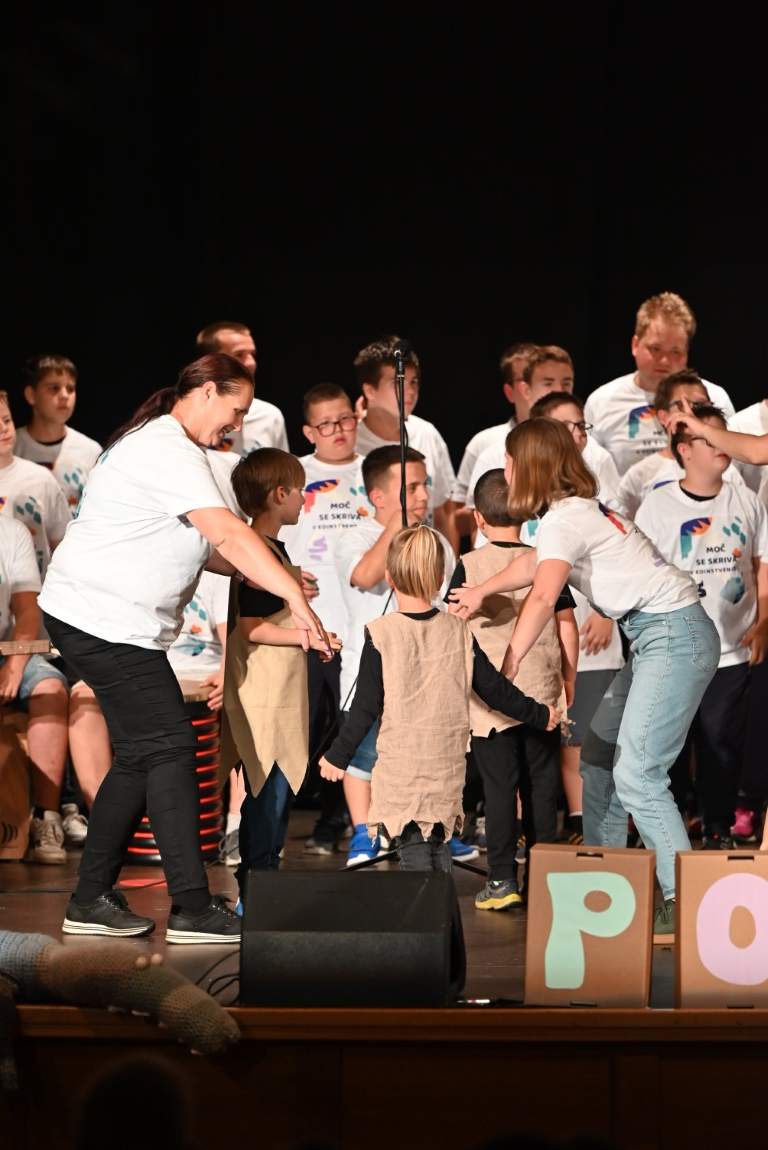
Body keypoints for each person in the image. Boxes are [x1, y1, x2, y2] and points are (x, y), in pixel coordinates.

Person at [39, 353, 328, 943]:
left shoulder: (175, 448)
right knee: (170, 745)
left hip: (111, 622)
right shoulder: (164, 448)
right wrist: (292, 600)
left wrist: (271, 575)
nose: (237, 425)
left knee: (141, 755)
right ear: (206, 391)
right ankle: (192, 908)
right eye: (236, 410)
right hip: (99, 619)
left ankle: (90, 899)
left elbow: (204, 547)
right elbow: (227, 532)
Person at [449, 418, 720, 941]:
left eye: (510, 460)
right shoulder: (572, 513)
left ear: (530, 467)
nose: (506, 468)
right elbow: (534, 565)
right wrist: (482, 591)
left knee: (639, 774)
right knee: (599, 757)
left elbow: (543, 596)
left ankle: (681, 903)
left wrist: (509, 664)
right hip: (658, 635)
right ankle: (611, 884)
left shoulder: (565, 520)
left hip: (673, 634)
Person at [319, 525, 558, 871]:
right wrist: (539, 714)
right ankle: (442, 907)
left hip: (403, 769)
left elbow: (365, 708)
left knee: (416, 858)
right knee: (436, 848)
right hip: (446, 766)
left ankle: (428, 907)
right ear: (441, 579)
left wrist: (338, 756)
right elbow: (495, 690)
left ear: (389, 576)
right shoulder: (459, 630)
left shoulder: (381, 634)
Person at [635, 405, 768, 848]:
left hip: (731, 649)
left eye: (722, 435)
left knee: (723, 747)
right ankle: (669, 834)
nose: (719, 444)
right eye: (706, 437)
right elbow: (642, 573)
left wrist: (763, 620)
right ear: (684, 451)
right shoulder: (658, 505)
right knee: (671, 746)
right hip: (677, 650)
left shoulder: (745, 500)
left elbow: (761, 563)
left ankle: (718, 829)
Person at [448, 469, 577, 909]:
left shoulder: (468, 565)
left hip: (490, 699)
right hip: (541, 691)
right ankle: (543, 879)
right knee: (542, 788)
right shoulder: (546, 559)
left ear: (478, 518)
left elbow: (453, 626)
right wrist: (569, 679)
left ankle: (502, 879)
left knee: (499, 788)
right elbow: (566, 623)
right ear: (525, 513)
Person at [221, 448, 341, 906]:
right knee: (266, 795)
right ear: (278, 495)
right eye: (299, 491)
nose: (304, 500)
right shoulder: (258, 554)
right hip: (264, 699)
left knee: (275, 793)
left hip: (280, 695)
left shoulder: (273, 551)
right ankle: (255, 892)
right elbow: (251, 629)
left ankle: (262, 886)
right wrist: (307, 638)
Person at [333, 444, 459, 864]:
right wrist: (395, 526)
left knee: (426, 752)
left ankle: (434, 828)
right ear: (378, 496)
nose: (422, 495)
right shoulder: (355, 537)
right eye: (411, 487)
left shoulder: (435, 541)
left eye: (425, 485)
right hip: (372, 670)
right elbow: (365, 575)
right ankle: (365, 832)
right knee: (365, 754)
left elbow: (447, 600)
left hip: (426, 673)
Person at [523, 393, 625, 840]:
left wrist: (605, 614)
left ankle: (593, 825)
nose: (578, 433)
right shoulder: (526, 485)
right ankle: (537, 828)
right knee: (547, 737)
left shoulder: (598, 474)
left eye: (581, 424)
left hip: (591, 633)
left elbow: (620, 549)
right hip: (540, 637)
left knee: (591, 738)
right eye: (566, 426)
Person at [279, 382, 367, 854]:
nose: (339, 431)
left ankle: (351, 820)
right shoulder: (296, 473)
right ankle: (311, 818)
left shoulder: (374, 469)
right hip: (315, 622)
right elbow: (269, 539)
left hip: (365, 621)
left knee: (357, 721)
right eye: (326, 424)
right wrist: (288, 577)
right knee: (318, 722)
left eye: (345, 420)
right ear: (309, 431)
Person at [584, 291, 735, 472]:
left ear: (687, 352)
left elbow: (731, 465)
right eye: (655, 349)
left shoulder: (714, 397)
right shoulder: (601, 401)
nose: (664, 361)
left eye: (675, 351)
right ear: (635, 345)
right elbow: (589, 469)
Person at [0, 516, 71, 863]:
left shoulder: (10, 532)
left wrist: (15, 665)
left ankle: (47, 817)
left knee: (50, 687)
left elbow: (28, 611)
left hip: (5, 649)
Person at [352, 335, 458, 550]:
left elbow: (444, 511)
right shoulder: (351, 442)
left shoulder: (427, 433)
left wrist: (452, 565)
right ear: (370, 390)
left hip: (424, 560)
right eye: (397, 382)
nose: (410, 391)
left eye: (414, 382)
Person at [464, 346, 578, 529]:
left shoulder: (589, 449)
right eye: (548, 383)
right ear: (526, 390)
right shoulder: (494, 453)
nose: (559, 391)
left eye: (566, 383)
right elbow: (482, 525)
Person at [615, 370, 744, 518]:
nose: (692, 411)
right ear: (663, 416)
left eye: (701, 405)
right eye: (682, 405)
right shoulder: (640, 475)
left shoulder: (727, 470)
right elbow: (622, 523)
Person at [450, 342, 537, 536]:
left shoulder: (575, 442)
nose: (534, 387)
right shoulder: (484, 444)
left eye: (542, 380)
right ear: (510, 391)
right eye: (526, 379)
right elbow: (459, 517)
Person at [14, 355, 102, 510]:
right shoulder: (11, 447)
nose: (64, 395)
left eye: (70, 388)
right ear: (31, 395)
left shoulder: (91, 451)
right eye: (54, 388)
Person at [0, 390, 71, 577]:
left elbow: (63, 543)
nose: (3, 428)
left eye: (7, 420)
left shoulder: (40, 478)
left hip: (39, 590)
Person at [195, 320, 288, 454]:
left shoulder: (270, 416)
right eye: (239, 355)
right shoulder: (188, 416)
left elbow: (282, 467)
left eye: (252, 354)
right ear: (211, 361)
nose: (251, 363)